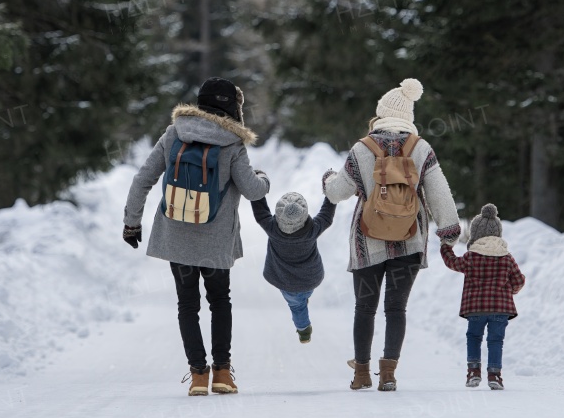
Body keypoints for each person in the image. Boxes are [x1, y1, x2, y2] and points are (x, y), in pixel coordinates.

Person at [123, 77, 270, 396]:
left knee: (187, 303)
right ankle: (221, 373)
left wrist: (131, 223)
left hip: (177, 235)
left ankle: (198, 376)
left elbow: (142, 180)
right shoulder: (232, 142)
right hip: (215, 242)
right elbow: (253, 189)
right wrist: (263, 177)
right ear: (233, 107)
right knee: (219, 301)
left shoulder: (174, 133)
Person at [323, 78, 461, 391]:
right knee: (396, 308)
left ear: (381, 113)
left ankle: (361, 374)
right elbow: (439, 193)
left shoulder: (362, 148)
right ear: (408, 117)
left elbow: (336, 193)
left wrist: (328, 179)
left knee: (365, 308)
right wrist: (449, 231)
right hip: (410, 239)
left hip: (367, 239)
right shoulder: (421, 148)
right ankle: (388, 373)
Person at [439, 204, 526, 390]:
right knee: (496, 341)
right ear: (498, 233)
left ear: (475, 234)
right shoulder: (507, 258)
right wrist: (510, 290)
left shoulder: (472, 257)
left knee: (474, 337)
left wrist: (446, 247)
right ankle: (495, 375)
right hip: (501, 310)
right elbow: (519, 280)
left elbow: (453, 263)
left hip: (476, 308)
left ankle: (473, 373)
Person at [250, 186, 337, 343]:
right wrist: (330, 190)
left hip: (286, 283)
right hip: (311, 280)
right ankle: (303, 297)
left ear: (279, 213)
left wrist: (258, 184)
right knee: (302, 297)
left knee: (297, 306)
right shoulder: (313, 229)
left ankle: (304, 331)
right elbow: (326, 216)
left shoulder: (272, 228)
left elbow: (260, 212)